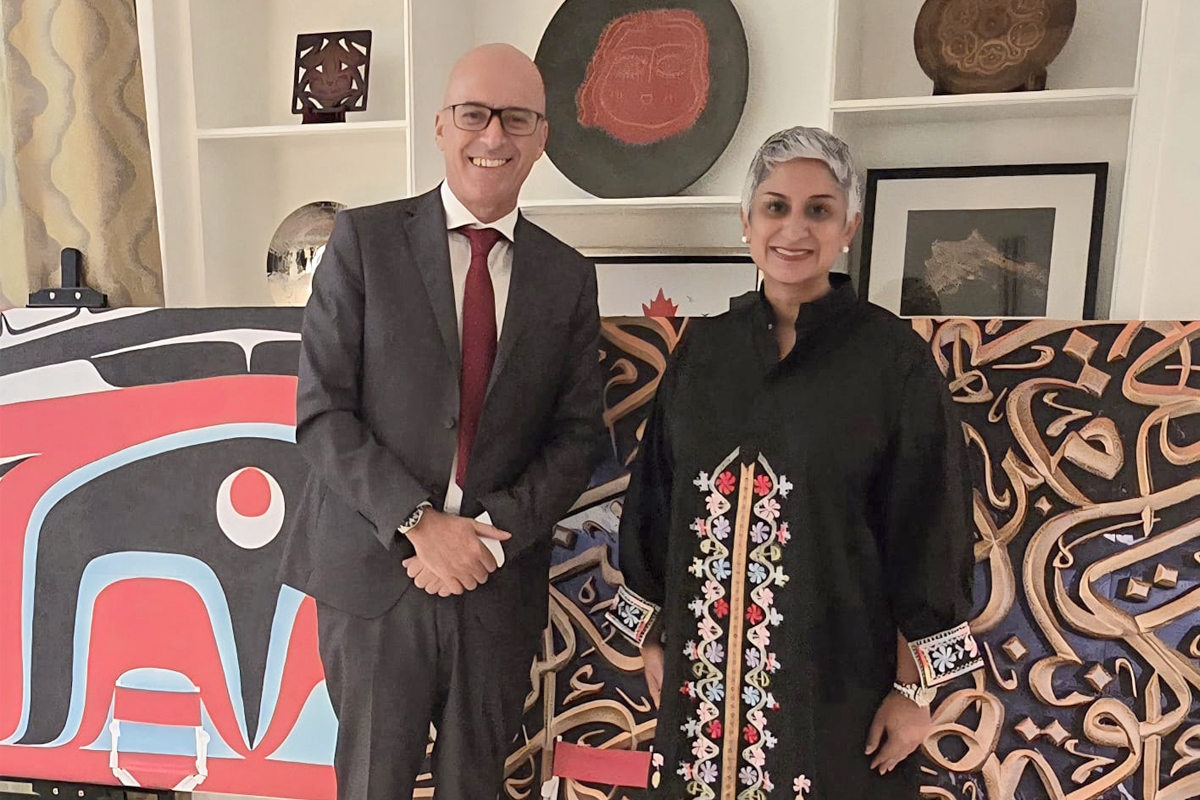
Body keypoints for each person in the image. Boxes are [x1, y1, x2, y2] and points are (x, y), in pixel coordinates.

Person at [607, 126, 982, 799]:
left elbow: (931, 522)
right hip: (704, 684)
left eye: (819, 210)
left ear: (849, 228)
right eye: (776, 206)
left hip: (841, 684)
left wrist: (915, 690)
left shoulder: (890, 360)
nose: (794, 229)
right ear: (747, 220)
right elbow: (657, 496)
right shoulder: (704, 354)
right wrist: (653, 635)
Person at [277, 43, 605, 800]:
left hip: (494, 584)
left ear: (542, 137)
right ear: (440, 126)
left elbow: (577, 435)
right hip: (375, 577)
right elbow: (323, 412)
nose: (493, 136)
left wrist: (486, 538)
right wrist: (419, 524)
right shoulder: (363, 242)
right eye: (473, 114)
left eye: (516, 119)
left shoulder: (567, 276)